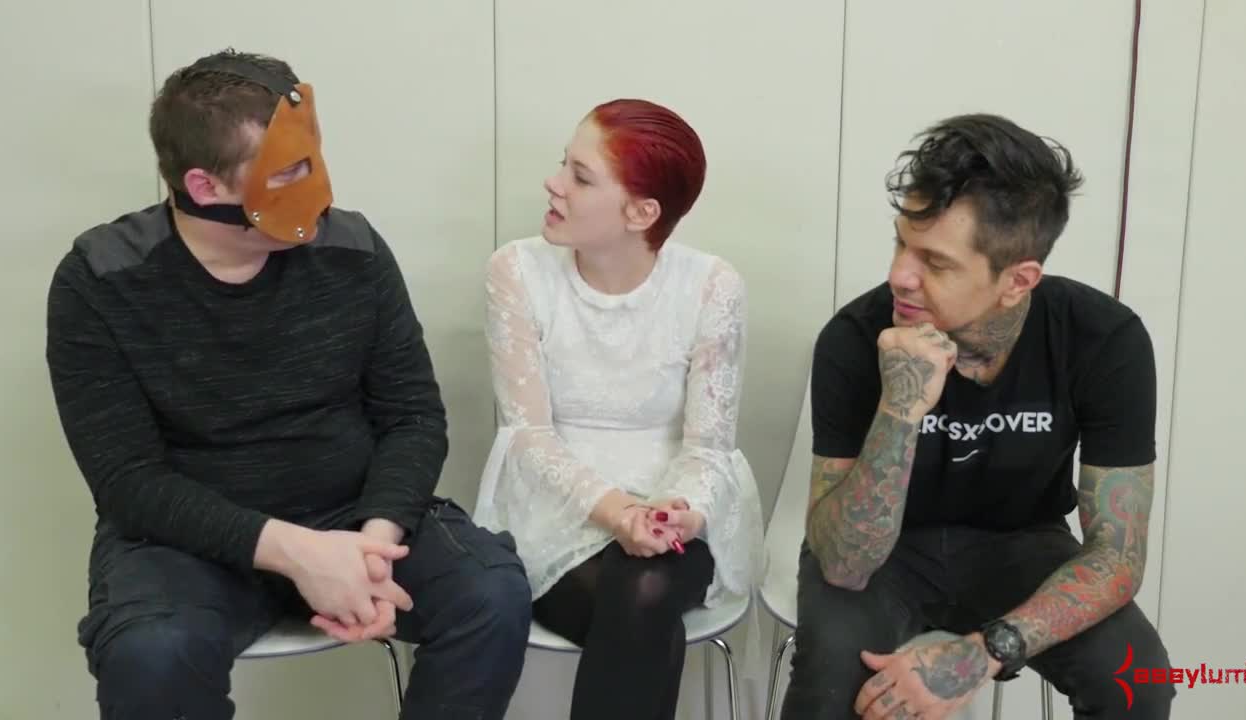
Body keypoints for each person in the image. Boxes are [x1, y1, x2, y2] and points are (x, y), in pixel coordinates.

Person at [45, 49, 531, 720]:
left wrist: (373, 545)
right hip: (188, 544)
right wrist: (299, 554)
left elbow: (413, 416)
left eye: (312, 159)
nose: (318, 188)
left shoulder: (353, 251)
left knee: (491, 595)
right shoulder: (101, 279)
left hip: (354, 515)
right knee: (152, 654)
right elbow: (128, 480)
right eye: (289, 171)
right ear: (205, 186)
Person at [780, 114, 1175, 720]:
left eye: (935, 263)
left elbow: (1117, 558)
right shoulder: (855, 337)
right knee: (829, 677)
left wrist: (985, 652)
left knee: (1135, 679)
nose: (899, 276)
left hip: (1021, 544)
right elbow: (844, 565)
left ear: (1017, 281)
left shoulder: (1102, 339)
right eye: (900, 243)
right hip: (886, 554)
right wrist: (899, 407)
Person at [473, 98, 766, 720]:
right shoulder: (517, 271)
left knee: (646, 589)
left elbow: (708, 445)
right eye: (564, 164)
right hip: (553, 507)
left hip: (672, 507)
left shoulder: (712, 286)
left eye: (580, 177)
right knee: (642, 613)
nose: (554, 183)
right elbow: (528, 434)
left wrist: (676, 511)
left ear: (642, 212)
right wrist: (619, 512)